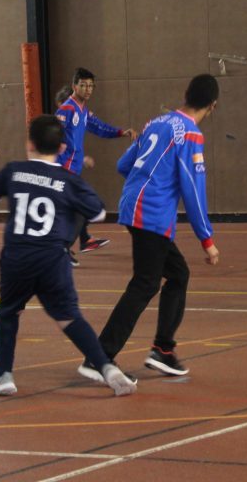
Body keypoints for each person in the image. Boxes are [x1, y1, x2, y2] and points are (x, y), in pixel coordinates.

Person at [0, 116, 138, 397]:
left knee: (8, 312)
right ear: (62, 148)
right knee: (69, 317)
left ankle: (4, 376)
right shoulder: (68, 180)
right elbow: (97, 212)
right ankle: (107, 368)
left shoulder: (14, 171)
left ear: (29, 143)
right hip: (53, 258)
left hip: (18, 258)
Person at [81, 74, 221, 381]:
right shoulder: (191, 135)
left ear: (186, 94)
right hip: (151, 212)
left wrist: (146, 181)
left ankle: (163, 350)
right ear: (213, 105)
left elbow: (123, 165)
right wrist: (206, 239)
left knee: (177, 274)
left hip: (134, 204)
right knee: (145, 284)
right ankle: (99, 357)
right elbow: (193, 190)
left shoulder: (157, 122)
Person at [55, 68, 135, 259]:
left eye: (91, 86)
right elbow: (53, 134)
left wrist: (120, 132)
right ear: (75, 86)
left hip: (73, 169)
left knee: (77, 208)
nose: (88, 89)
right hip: (63, 170)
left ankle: (82, 240)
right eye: (83, 85)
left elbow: (99, 127)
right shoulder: (66, 109)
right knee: (83, 207)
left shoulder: (83, 110)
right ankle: (63, 248)